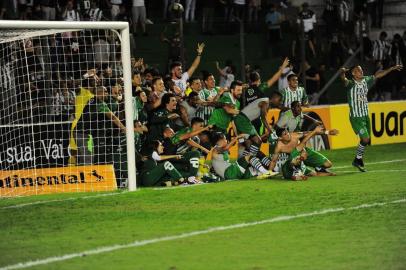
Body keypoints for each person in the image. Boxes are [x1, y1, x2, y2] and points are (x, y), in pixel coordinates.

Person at [339, 64, 403, 172]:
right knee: (366, 139)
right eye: (358, 70)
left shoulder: (366, 80)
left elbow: (378, 75)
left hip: (365, 115)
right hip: (356, 117)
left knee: (365, 140)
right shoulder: (351, 84)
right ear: (353, 73)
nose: (361, 71)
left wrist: (391, 68)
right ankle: (358, 159)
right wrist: (342, 73)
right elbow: (344, 80)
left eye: (361, 69)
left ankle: (358, 160)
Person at [270, 126, 339, 179]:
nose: (288, 134)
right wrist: (269, 172)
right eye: (285, 134)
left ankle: (318, 168)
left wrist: (327, 132)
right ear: (280, 138)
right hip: (296, 158)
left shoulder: (295, 135)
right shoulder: (279, 147)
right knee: (295, 163)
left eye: (287, 132)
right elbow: (273, 161)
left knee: (328, 164)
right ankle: (297, 173)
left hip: (304, 152)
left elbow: (307, 134)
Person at [210, 133, 278, 180]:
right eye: (225, 139)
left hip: (232, 173)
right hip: (229, 172)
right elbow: (226, 148)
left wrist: (241, 141)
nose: (226, 141)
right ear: (220, 140)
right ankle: (266, 173)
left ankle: (270, 169)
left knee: (255, 155)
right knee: (249, 157)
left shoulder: (221, 150)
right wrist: (236, 137)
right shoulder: (215, 149)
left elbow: (238, 151)